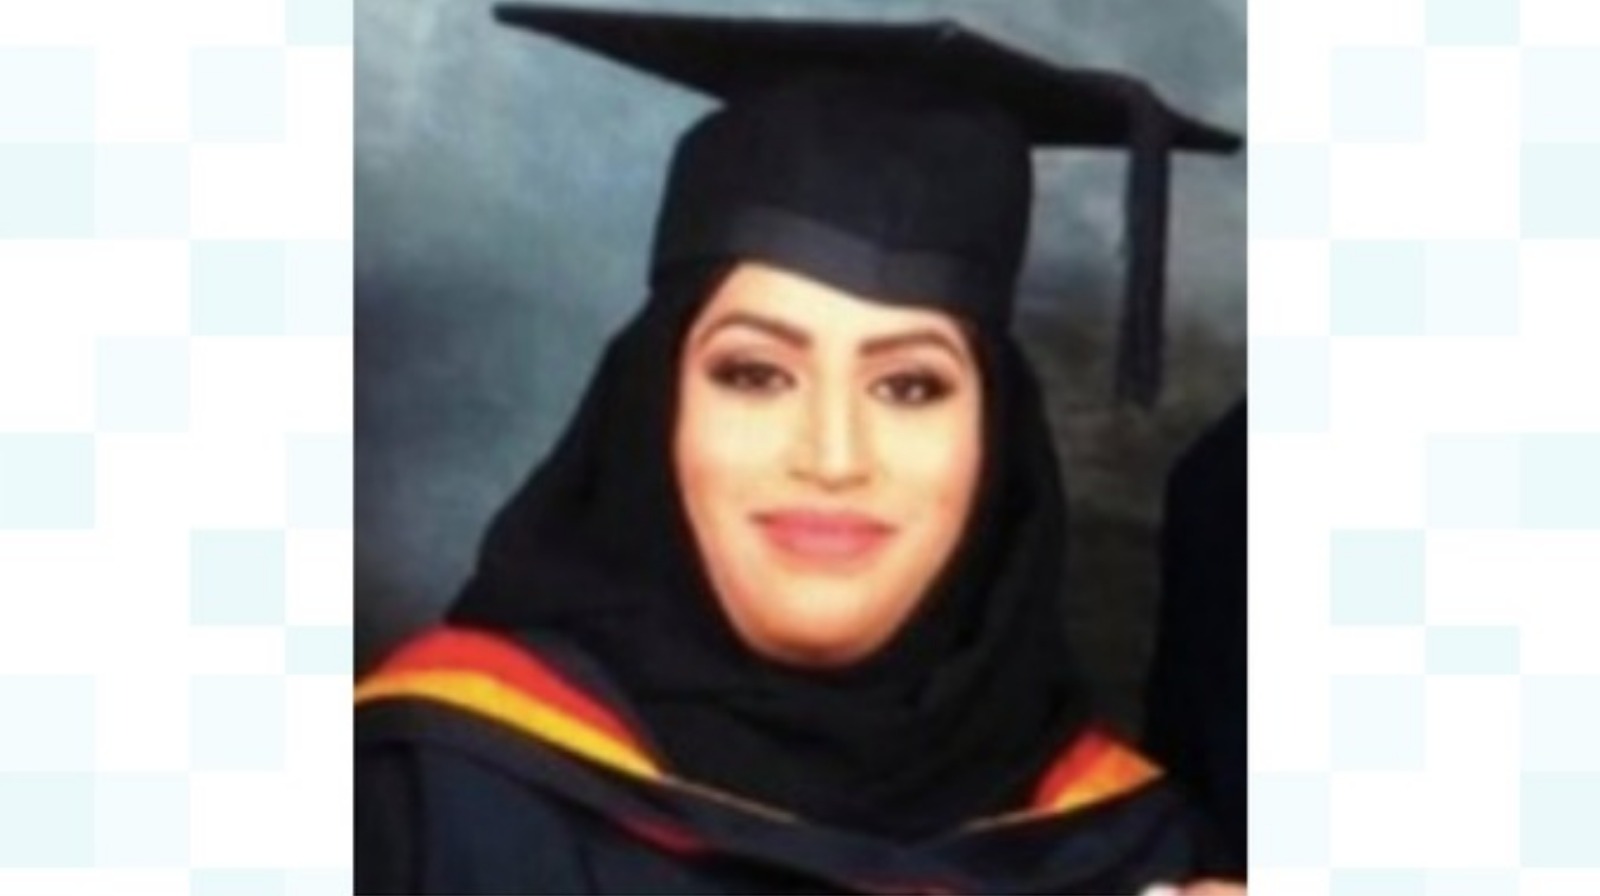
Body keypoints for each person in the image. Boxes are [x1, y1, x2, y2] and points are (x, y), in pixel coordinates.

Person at [356, 6, 1244, 893]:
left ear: (997, 443)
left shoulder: (1135, 849)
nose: (832, 455)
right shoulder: (418, 803)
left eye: (910, 386)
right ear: (654, 406)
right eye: (755, 374)